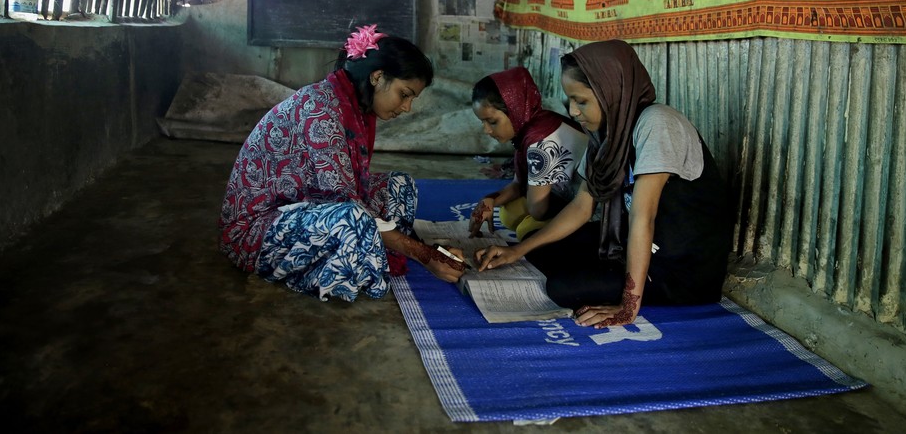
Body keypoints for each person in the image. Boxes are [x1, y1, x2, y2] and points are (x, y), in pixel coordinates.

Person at [475, 40, 734, 328]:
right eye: (570, 101)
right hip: (632, 246)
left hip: (680, 267)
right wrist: (516, 252)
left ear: (613, 92)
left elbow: (642, 217)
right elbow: (582, 207)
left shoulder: (656, 124)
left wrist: (628, 304)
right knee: (534, 250)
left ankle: (624, 282)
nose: (573, 111)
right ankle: (606, 271)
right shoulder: (606, 137)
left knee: (561, 288)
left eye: (581, 101)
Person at [219, 24, 465, 301]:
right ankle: (330, 274)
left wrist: (429, 252)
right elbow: (344, 201)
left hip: (304, 203)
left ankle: (372, 253)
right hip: (258, 232)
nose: (407, 107)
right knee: (353, 218)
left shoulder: (354, 107)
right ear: (377, 77)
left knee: (399, 185)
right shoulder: (320, 110)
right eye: (404, 94)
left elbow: (345, 190)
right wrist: (424, 254)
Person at [468, 67, 587, 241]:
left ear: (514, 110)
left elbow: (537, 211)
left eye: (492, 122)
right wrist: (489, 200)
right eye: (483, 122)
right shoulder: (531, 125)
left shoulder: (541, 140)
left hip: (587, 209)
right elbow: (518, 184)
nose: (486, 130)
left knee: (527, 230)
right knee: (509, 214)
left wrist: (534, 189)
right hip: (561, 194)